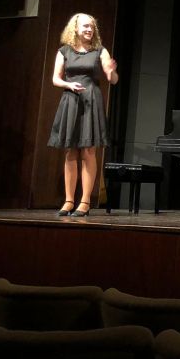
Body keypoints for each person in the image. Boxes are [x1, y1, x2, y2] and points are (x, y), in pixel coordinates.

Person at [48, 13, 119, 217]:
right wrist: (69, 85)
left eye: (92, 27)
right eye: (86, 26)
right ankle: (69, 200)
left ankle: (85, 201)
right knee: (71, 150)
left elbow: (113, 80)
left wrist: (111, 72)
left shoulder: (100, 50)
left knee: (88, 151)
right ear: (75, 28)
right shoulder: (64, 51)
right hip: (71, 100)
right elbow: (55, 79)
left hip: (91, 101)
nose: (89, 30)